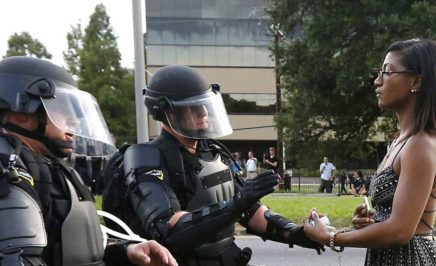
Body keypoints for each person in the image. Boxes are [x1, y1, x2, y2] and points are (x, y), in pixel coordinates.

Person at [113, 65, 324, 266]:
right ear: (169, 112)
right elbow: (169, 228)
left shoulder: (213, 151)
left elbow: (251, 211)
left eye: (205, 104)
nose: (204, 112)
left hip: (226, 257)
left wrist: (296, 232)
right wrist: (237, 204)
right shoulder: (146, 157)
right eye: (194, 107)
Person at [0, 56, 177, 266]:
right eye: (63, 108)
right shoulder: (7, 166)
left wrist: (125, 251)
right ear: (21, 112)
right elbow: (17, 258)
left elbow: (65, 246)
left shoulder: (51, 166)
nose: (74, 120)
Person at [304, 39, 436, 265]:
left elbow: (400, 232)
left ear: (416, 81)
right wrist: (376, 220)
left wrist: (331, 237)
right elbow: (398, 220)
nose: (377, 81)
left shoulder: (419, 144)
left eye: (387, 72)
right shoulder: (401, 141)